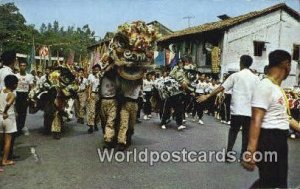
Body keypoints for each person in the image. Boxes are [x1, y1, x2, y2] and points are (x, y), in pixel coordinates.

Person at [242, 50, 300, 188]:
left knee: (278, 183)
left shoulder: (277, 89)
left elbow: (285, 117)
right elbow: (256, 119)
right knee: (270, 182)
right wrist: (250, 151)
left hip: (279, 139)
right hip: (268, 140)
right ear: (286, 65)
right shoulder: (265, 86)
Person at [198, 55, 259, 160]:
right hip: (249, 111)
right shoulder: (256, 78)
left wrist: (207, 96)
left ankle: (229, 153)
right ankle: (243, 156)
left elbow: (222, 87)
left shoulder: (235, 76)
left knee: (233, 131)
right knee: (246, 133)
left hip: (237, 110)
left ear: (241, 63)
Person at [0, 75, 18, 166]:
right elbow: (9, 103)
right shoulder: (12, 94)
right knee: (8, 142)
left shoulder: (1, 91)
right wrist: (5, 112)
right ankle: (5, 160)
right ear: (14, 85)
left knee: (0, 141)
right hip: (8, 118)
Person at [15, 61, 34, 136]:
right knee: (17, 112)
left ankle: (20, 127)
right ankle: (16, 127)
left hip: (25, 95)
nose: (23, 67)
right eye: (21, 65)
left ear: (26, 67)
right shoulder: (15, 76)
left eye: (24, 65)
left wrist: (31, 96)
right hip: (17, 94)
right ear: (19, 67)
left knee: (23, 113)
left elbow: (32, 86)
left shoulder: (29, 76)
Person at [86, 64, 100, 133]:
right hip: (93, 94)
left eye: (98, 70)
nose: (96, 71)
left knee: (98, 111)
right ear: (93, 70)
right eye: (95, 69)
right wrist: (88, 96)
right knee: (91, 111)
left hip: (100, 95)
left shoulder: (101, 76)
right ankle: (91, 126)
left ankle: (96, 123)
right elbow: (89, 87)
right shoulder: (90, 76)